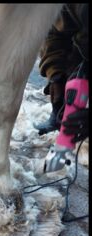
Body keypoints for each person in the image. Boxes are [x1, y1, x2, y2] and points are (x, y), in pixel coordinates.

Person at [36, 3, 88, 140]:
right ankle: (58, 112)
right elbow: (54, 34)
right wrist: (55, 75)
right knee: (65, 78)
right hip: (80, 48)